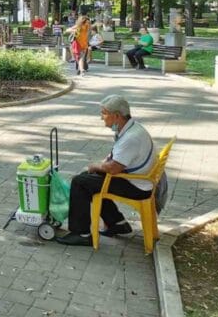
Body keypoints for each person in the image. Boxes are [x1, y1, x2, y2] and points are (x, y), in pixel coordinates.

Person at [57, 95, 155, 246]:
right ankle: (117, 223)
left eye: (104, 113)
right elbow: (115, 159)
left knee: (80, 182)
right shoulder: (131, 127)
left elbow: (114, 168)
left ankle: (81, 233)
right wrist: (99, 167)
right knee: (89, 178)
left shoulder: (131, 138)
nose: (101, 117)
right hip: (137, 180)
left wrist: (96, 166)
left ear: (116, 116)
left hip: (137, 187)